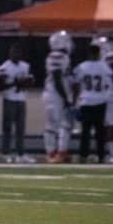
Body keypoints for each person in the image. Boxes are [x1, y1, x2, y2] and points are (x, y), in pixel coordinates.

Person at [72, 43, 112, 163]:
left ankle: (83, 155)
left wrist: (74, 101)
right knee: (100, 131)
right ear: (99, 53)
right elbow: (108, 85)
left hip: (86, 101)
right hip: (100, 101)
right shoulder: (105, 67)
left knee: (86, 131)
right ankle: (101, 156)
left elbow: (76, 85)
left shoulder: (81, 67)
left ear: (88, 53)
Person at [0, 43, 34, 163]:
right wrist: (15, 83)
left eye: (17, 51)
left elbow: (29, 83)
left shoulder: (25, 66)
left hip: (21, 98)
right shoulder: (4, 67)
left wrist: (26, 83)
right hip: (9, 98)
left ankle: (20, 154)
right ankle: (5, 153)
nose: (14, 54)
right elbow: (0, 86)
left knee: (20, 128)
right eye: (12, 52)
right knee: (7, 128)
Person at [43, 30, 74, 163]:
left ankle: (62, 152)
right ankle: (51, 153)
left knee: (65, 124)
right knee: (53, 125)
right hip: (54, 94)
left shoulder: (63, 56)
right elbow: (56, 78)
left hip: (59, 93)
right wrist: (65, 97)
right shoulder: (57, 55)